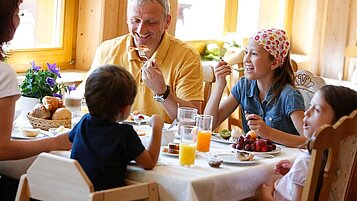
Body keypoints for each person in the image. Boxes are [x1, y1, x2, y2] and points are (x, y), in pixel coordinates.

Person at [77, 0, 203, 123]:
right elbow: (84, 99)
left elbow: (192, 121)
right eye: (135, 20)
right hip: (115, 137)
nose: (141, 30)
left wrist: (163, 92)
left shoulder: (187, 57)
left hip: (164, 141)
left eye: (151, 22)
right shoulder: (107, 50)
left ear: (167, 22)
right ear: (127, 18)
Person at [0, 0, 72, 199]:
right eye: (17, 13)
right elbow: (2, 148)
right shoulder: (3, 74)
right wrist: (53, 142)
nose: (18, 20)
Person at [204, 28, 306, 147]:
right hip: (250, 161)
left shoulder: (290, 96)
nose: (246, 59)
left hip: (283, 164)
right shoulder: (244, 86)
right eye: (246, 52)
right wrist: (220, 85)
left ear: (274, 63)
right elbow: (207, 125)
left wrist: (269, 133)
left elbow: (308, 141)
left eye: (254, 54)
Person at [69, 65, 164, 191]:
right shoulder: (125, 134)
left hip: (77, 195)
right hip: (107, 197)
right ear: (125, 109)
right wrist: (157, 127)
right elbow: (149, 162)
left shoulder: (83, 123)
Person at [260, 85, 357, 201]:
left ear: (337, 124)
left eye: (316, 109)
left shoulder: (305, 163)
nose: (306, 112)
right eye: (310, 106)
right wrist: (295, 173)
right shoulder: (342, 161)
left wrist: (265, 197)